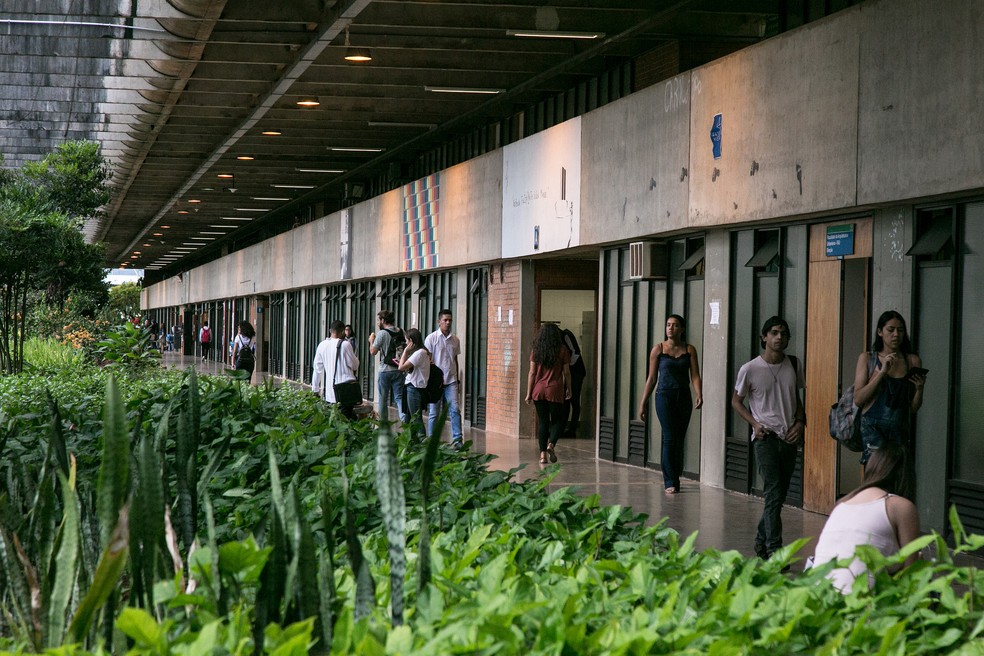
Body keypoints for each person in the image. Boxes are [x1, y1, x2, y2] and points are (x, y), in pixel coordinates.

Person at [731, 316, 806, 561]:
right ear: (764, 337)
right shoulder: (750, 369)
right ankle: (775, 552)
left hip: (789, 439)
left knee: (777, 496)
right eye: (774, 333)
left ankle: (761, 543)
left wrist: (800, 423)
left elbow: (796, 400)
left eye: (784, 334)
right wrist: (754, 423)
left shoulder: (794, 364)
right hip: (765, 439)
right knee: (774, 493)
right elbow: (736, 401)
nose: (779, 337)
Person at [811, 442, 920, 592]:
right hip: (860, 604)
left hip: (817, 597)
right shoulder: (899, 506)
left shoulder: (842, 503)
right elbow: (911, 571)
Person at [637, 314, 703, 494]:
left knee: (679, 439)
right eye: (668, 325)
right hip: (664, 396)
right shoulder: (658, 350)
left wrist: (699, 393)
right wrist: (643, 403)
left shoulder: (689, 350)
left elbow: (695, 375)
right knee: (669, 437)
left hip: (683, 397)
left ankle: (676, 475)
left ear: (682, 329)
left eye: (675, 325)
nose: (670, 328)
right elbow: (651, 379)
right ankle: (669, 481)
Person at [852, 310, 926, 465]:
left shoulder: (912, 361)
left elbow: (912, 409)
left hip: (900, 429)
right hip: (873, 428)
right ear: (880, 332)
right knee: (876, 478)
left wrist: (919, 390)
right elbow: (858, 399)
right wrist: (881, 372)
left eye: (900, 330)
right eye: (890, 330)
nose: (896, 335)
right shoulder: (868, 359)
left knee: (898, 480)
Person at [525, 323, 572, 465]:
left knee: (543, 422)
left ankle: (542, 456)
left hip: (538, 390)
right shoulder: (562, 350)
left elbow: (532, 373)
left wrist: (528, 393)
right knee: (558, 420)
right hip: (555, 389)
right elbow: (567, 372)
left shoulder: (536, 350)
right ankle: (551, 445)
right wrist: (569, 388)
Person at [423, 309, 464, 449]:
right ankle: (433, 440)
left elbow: (455, 360)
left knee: (455, 409)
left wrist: (457, 378)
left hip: (451, 380)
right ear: (438, 322)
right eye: (445, 320)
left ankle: (458, 440)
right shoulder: (431, 339)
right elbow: (426, 360)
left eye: (450, 320)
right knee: (434, 412)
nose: (448, 323)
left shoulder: (455, 340)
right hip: (436, 382)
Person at [312, 320, 361, 420]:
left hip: (330, 392)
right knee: (348, 420)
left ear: (331, 330)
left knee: (335, 420)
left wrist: (315, 390)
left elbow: (317, 370)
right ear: (343, 331)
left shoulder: (322, 345)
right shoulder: (345, 345)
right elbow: (355, 365)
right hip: (346, 391)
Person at [368, 310, 408, 423]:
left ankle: (384, 424)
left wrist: (371, 341)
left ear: (383, 320)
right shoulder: (401, 331)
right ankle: (404, 420)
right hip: (399, 369)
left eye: (378, 320)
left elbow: (373, 352)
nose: (377, 323)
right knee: (399, 397)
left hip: (385, 370)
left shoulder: (382, 333)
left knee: (383, 399)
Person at [397, 328, 430, 439]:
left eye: (406, 340)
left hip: (414, 388)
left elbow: (401, 367)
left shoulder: (419, 353)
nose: (406, 343)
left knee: (416, 418)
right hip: (413, 387)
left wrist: (406, 351)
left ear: (411, 341)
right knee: (408, 418)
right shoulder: (422, 352)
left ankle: (422, 441)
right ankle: (409, 442)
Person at [561, 328, 587, 438]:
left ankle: (572, 429)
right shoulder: (563, 336)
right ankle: (563, 428)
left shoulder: (566, 335)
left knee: (574, 399)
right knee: (565, 400)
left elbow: (575, 353)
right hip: (572, 370)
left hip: (577, 371)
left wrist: (566, 364)